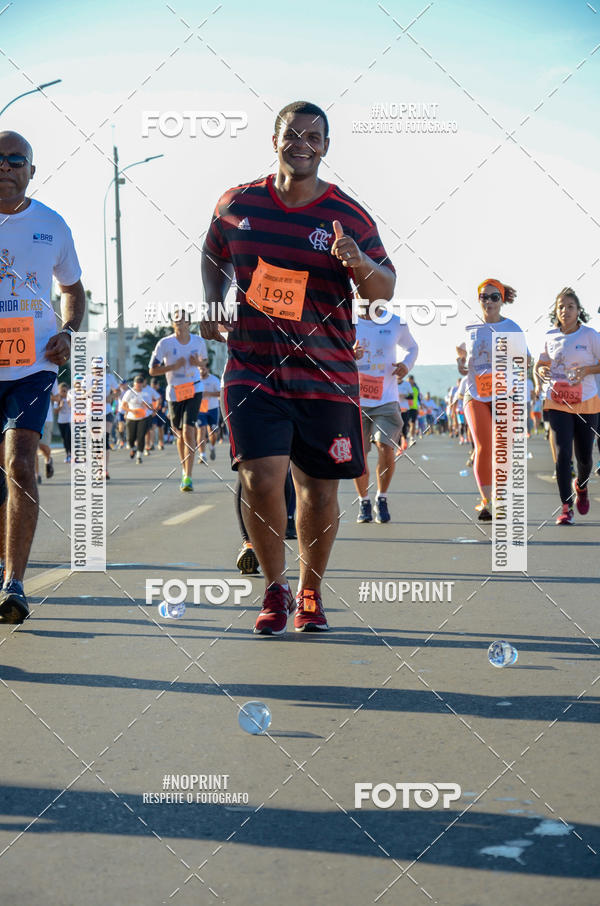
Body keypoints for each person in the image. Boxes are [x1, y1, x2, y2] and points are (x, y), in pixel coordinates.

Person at [201, 100, 395, 635]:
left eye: (314, 136)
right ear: (275, 139)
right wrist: (212, 300)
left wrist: (357, 260)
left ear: (326, 147)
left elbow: (384, 290)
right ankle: (274, 588)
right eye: (293, 134)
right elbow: (214, 250)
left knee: (319, 489)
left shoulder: (349, 216)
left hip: (326, 373)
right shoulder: (237, 203)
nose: (302, 143)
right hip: (252, 366)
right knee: (262, 478)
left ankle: (310, 592)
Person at [0, 130, 84, 623]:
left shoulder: (51, 225)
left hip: (33, 365)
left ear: (32, 169)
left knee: (20, 464)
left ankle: (14, 584)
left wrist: (69, 332)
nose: (6, 166)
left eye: (17, 159)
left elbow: (73, 290)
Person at [457, 278, 527, 522]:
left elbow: (526, 361)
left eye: (494, 297)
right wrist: (460, 362)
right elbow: (463, 359)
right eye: (484, 297)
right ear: (479, 300)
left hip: (504, 395)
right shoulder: (470, 328)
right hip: (475, 394)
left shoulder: (512, 328)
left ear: (502, 300)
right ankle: (487, 502)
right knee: (484, 446)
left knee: (502, 449)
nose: (488, 301)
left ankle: (500, 497)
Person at [535, 288, 600, 525]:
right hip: (558, 401)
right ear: (556, 311)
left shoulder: (591, 336)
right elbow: (541, 364)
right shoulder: (550, 335)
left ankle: (581, 487)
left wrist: (587, 370)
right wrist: (540, 371)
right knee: (563, 455)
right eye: (561, 306)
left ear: (579, 311)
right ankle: (565, 508)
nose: (565, 310)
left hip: (586, 402)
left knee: (585, 458)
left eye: (570, 306)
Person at [354, 304, 417, 523]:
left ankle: (382, 497)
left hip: (386, 399)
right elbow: (328, 349)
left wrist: (406, 365)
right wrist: (348, 354)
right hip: (356, 401)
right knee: (359, 456)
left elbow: (412, 347)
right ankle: (364, 501)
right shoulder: (347, 321)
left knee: (385, 447)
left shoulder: (395, 322)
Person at [149, 310, 207, 491]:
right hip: (174, 392)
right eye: (175, 322)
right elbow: (152, 370)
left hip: (194, 388)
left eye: (182, 321)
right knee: (180, 434)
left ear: (189, 323)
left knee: (189, 431)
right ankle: (184, 471)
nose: (178, 325)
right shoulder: (164, 343)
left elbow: (204, 366)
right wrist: (174, 366)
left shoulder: (199, 341)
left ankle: (188, 476)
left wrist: (198, 364)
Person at [121, 375, 154, 463]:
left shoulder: (146, 394)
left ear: (142, 384)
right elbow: (123, 405)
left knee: (141, 437)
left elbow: (151, 406)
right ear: (134, 383)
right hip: (131, 417)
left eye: (140, 383)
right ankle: (133, 448)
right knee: (130, 438)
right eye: (137, 383)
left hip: (143, 417)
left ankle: (139, 456)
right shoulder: (129, 393)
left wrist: (146, 406)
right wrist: (131, 410)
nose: (138, 385)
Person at [195, 363, 220, 464]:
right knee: (201, 430)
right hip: (200, 409)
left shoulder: (214, 379)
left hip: (213, 408)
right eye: (199, 368)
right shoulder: (194, 379)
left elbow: (220, 393)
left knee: (213, 432)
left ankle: (212, 446)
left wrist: (208, 394)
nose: (201, 370)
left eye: (203, 368)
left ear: (207, 369)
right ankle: (202, 455)